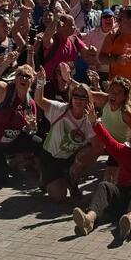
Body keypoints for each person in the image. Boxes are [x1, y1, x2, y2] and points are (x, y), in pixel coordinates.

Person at [0, 52, 40, 183]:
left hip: (8, 142)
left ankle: (19, 163)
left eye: (28, 77)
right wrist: (6, 62)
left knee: (38, 142)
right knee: (1, 178)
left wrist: (32, 127)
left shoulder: (30, 103)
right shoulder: (5, 91)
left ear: (32, 81)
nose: (24, 79)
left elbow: (30, 131)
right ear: (15, 79)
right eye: (20, 75)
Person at [34, 69, 97, 201]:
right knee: (59, 197)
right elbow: (39, 101)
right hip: (51, 157)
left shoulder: (89, 119)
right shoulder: (60, 109)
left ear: (89, 100)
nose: (78, 100)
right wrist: (40, 82)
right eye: (76, 96)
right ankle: (45, 177)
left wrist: (79, 162)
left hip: (70, 158)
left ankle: (71, 179)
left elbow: (97, 146)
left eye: (83, 97)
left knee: (93, 148)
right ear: (71, 97)